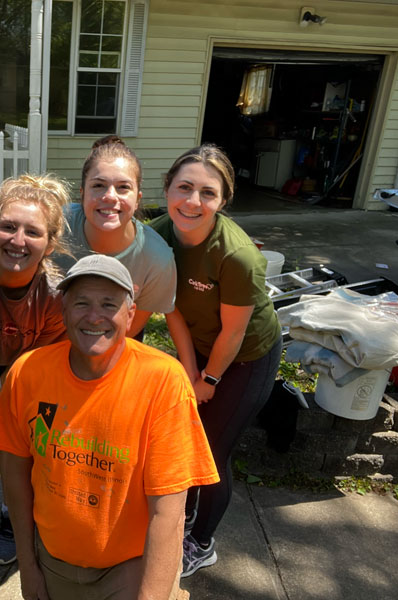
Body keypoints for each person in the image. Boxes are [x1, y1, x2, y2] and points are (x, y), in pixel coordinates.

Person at [0, 255, 219, 600]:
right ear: (63, 310)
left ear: (130, 316)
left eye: (109, 304)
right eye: (82, 302)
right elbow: (15, 481)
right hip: (52, 561)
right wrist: (29, 567)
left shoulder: (163, 382)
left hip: (130, 567)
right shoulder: (27, 374)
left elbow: (168, 515)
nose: (94, 316)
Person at [150, 144, 283, 578]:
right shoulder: (157, 237)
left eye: (207, 193)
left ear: (223, 201)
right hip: (199, 348)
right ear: (167, 187)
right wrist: (188, 370)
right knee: (184, 440)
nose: (192, 201)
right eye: (184, 187)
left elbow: (236, 331)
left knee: (209, 449)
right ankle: (186, 514)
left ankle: (201, 542)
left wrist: (208, 378)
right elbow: (171, 308)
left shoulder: (237, 255)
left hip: (246, 356)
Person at [0, 174, 69, 565]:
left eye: (32, 232)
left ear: (50, 243)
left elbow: (47, 361)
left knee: (32, 431)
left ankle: (12, 514)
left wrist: (7, 389)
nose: (18, 240)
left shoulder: (55, 294)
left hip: (30, 372)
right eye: (8, 227)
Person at [52, 138, 193, 370]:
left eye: (123, 187)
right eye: (98, 185)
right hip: (48, 338)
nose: (110, 196)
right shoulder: (56, 226)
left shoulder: (156, 259)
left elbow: (128, 329)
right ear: (82, 193)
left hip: (112, 344)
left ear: (137, 199)